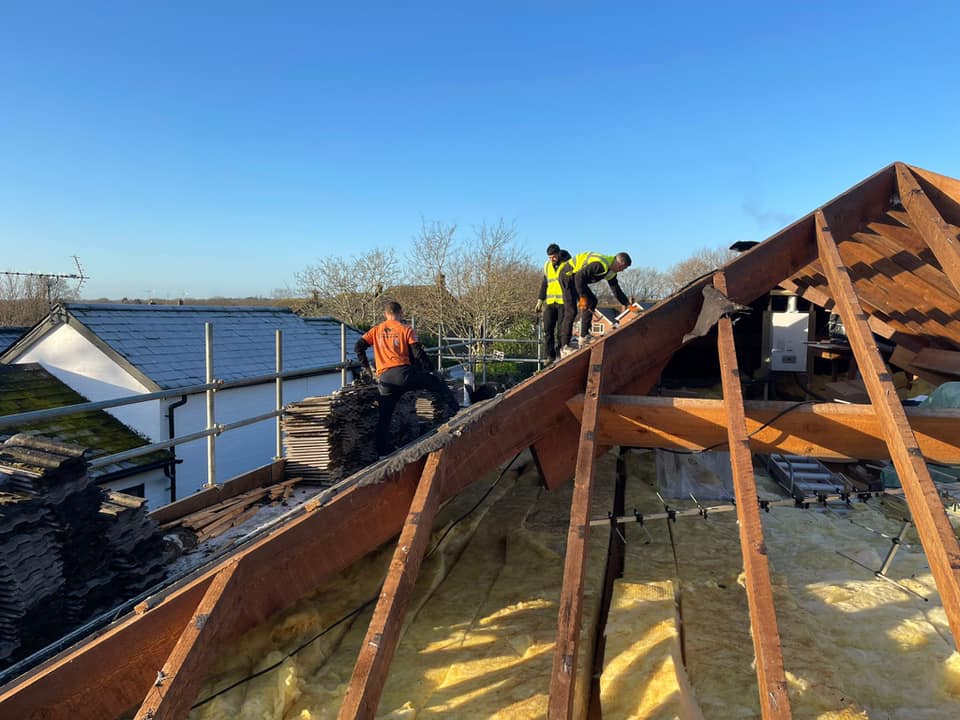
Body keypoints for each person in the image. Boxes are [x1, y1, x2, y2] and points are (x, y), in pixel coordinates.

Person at [354, 301, 460, 456]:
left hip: (385, 379)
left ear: (385, 314)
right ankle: (457, 412)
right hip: (404, 374)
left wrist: (368, 369)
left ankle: (382, 452)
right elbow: (418, 353)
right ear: (401, 313)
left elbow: (358, 347)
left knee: (385, 416)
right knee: (437, 383)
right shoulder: (406, 329)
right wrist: (431, 371)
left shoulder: (376, 330)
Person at [559, 251, 632, 353]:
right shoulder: (600, 265)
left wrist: (628, 305)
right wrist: (582, 297)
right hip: (567, 276)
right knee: (571, 311)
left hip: (577, 278)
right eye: (622, 268)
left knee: (592, 301)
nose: (622, 271)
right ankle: (564, 347)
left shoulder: (611, 272)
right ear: (619, 263)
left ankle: (584, 336)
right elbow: (579, 277)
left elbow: (616, 290)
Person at [534, 243, 572, 365]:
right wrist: (540, 300)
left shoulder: (567, 264)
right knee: (547, 329)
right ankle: (550, 356)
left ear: (559, 254)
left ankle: (559, 354)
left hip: (563, 303)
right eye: (549, 257)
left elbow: (573, 283)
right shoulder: (547, 266)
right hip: (550, 303)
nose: (551, 259)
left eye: (553, 257)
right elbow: (545, 283)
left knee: (561, 330)